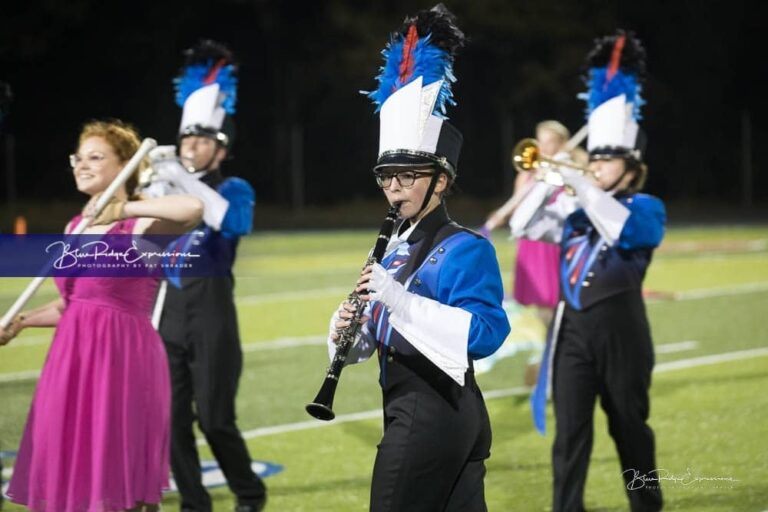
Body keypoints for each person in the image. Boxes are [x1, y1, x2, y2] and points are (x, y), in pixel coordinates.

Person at [329, 6, 510, 511]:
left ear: (441, 179)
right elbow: (378, 336)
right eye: (386, 177)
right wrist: (352, 326)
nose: (394, 187)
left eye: (407, 176)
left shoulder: (465, 248)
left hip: (436, 412)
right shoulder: (390, 245)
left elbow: (486, 334)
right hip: (412, 406)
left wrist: (397, 299)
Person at [0, 119, 204, 512]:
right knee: (70, 475)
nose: (81, 164)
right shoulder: (75, 226)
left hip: (121, 360)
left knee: (114, 485)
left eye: (96, 157)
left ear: (125, 164)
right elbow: (72, 304)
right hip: (72, 360)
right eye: (78, 157)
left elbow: (192, 210)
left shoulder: (139, 224)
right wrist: (21, 322)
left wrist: (121, 207)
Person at [511, 30, 664, 511]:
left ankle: (646, 504)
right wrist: (544, 178)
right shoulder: (576, 212)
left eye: (607, 159)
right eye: (593, 159)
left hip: (622, 333)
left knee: (628, 428)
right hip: (572, 331)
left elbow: (620, 230)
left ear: (631, 168)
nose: (596, 167)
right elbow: (521, 225)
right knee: (570, 433)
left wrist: (581, 181)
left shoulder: (645, 207)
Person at [142, 40, 265, 512]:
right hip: (167, 313)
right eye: (187, 140)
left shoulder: (234, 188)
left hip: (213, 314)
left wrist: (180, 178)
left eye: (202, 141)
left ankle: (250, 494)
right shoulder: (167, 190)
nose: (191, 148)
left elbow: (229, 223)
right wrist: (152, 191)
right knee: (170, 422)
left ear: (221, 147)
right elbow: (139, 246)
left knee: (215, 420)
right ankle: (195, 503)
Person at [480, 120, 573, 382]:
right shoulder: (529, 172)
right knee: (539, 307)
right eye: (540, 140)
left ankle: (553, 357)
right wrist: (498, 217)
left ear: (561, 144)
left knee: (552, 307)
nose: (543, 147)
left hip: (552, 246)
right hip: (530, 246)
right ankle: (551, 355)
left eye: (549, 141)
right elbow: (518, 204)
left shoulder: (563, 171)